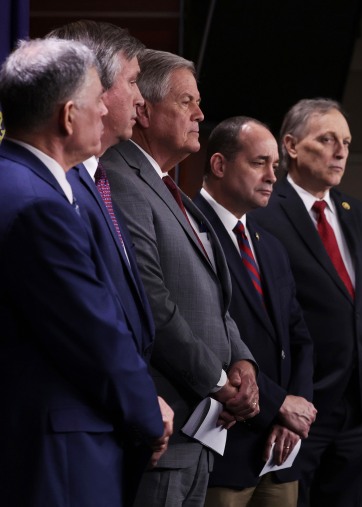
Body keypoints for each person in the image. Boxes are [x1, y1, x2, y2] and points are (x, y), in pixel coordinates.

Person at [0, 37, 167, 507]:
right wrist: (148, 416)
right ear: (69, 116)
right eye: (98, 101)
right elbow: (94, 334)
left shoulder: (15, 182)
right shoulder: (38, 207)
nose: (105, 111)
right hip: (60, 453)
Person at [100, 49, 260, 506]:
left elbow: (213, 294)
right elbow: (150, 296)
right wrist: (218, 382)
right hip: (167, 424)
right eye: (187, 101)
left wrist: (242, 362)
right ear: (145, 111)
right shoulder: (120, 178)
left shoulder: (172, 188)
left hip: (203, 429)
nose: (200, 114)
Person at [46, 21, 175, 497]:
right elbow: (88, 319)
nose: (144, 99)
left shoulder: (97, 181)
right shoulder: (59, 189)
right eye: (134, 81)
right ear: (93, 87)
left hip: (115, 425)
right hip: (82, 431)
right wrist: (142, 405)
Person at [252, 98, 362, 507]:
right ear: (291, 146)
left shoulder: (359, 213)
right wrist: (280, 402)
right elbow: (260, 321)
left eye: (346, 141)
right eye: (327, 139)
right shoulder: (263, 213)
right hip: (299, 408)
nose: (341, 150)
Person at [192, 116, 317, 507]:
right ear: (219, 165)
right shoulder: (189, 230)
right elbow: (204, 335)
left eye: (275, 166)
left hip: (280, 453)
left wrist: (295, 414)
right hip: (224, 446)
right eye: (259, 163)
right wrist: (279, 406)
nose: (272, 176)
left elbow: (299, 337)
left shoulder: (270, 246)